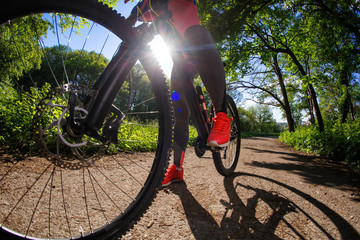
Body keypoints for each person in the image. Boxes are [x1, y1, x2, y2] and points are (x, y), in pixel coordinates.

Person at [125, 0, 232, 186]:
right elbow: (133, 17)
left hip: (199, 50)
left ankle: (221, 116)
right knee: (180, 114)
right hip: (181, 63)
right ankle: (177, 169)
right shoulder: (150, 7)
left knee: (195, 33)